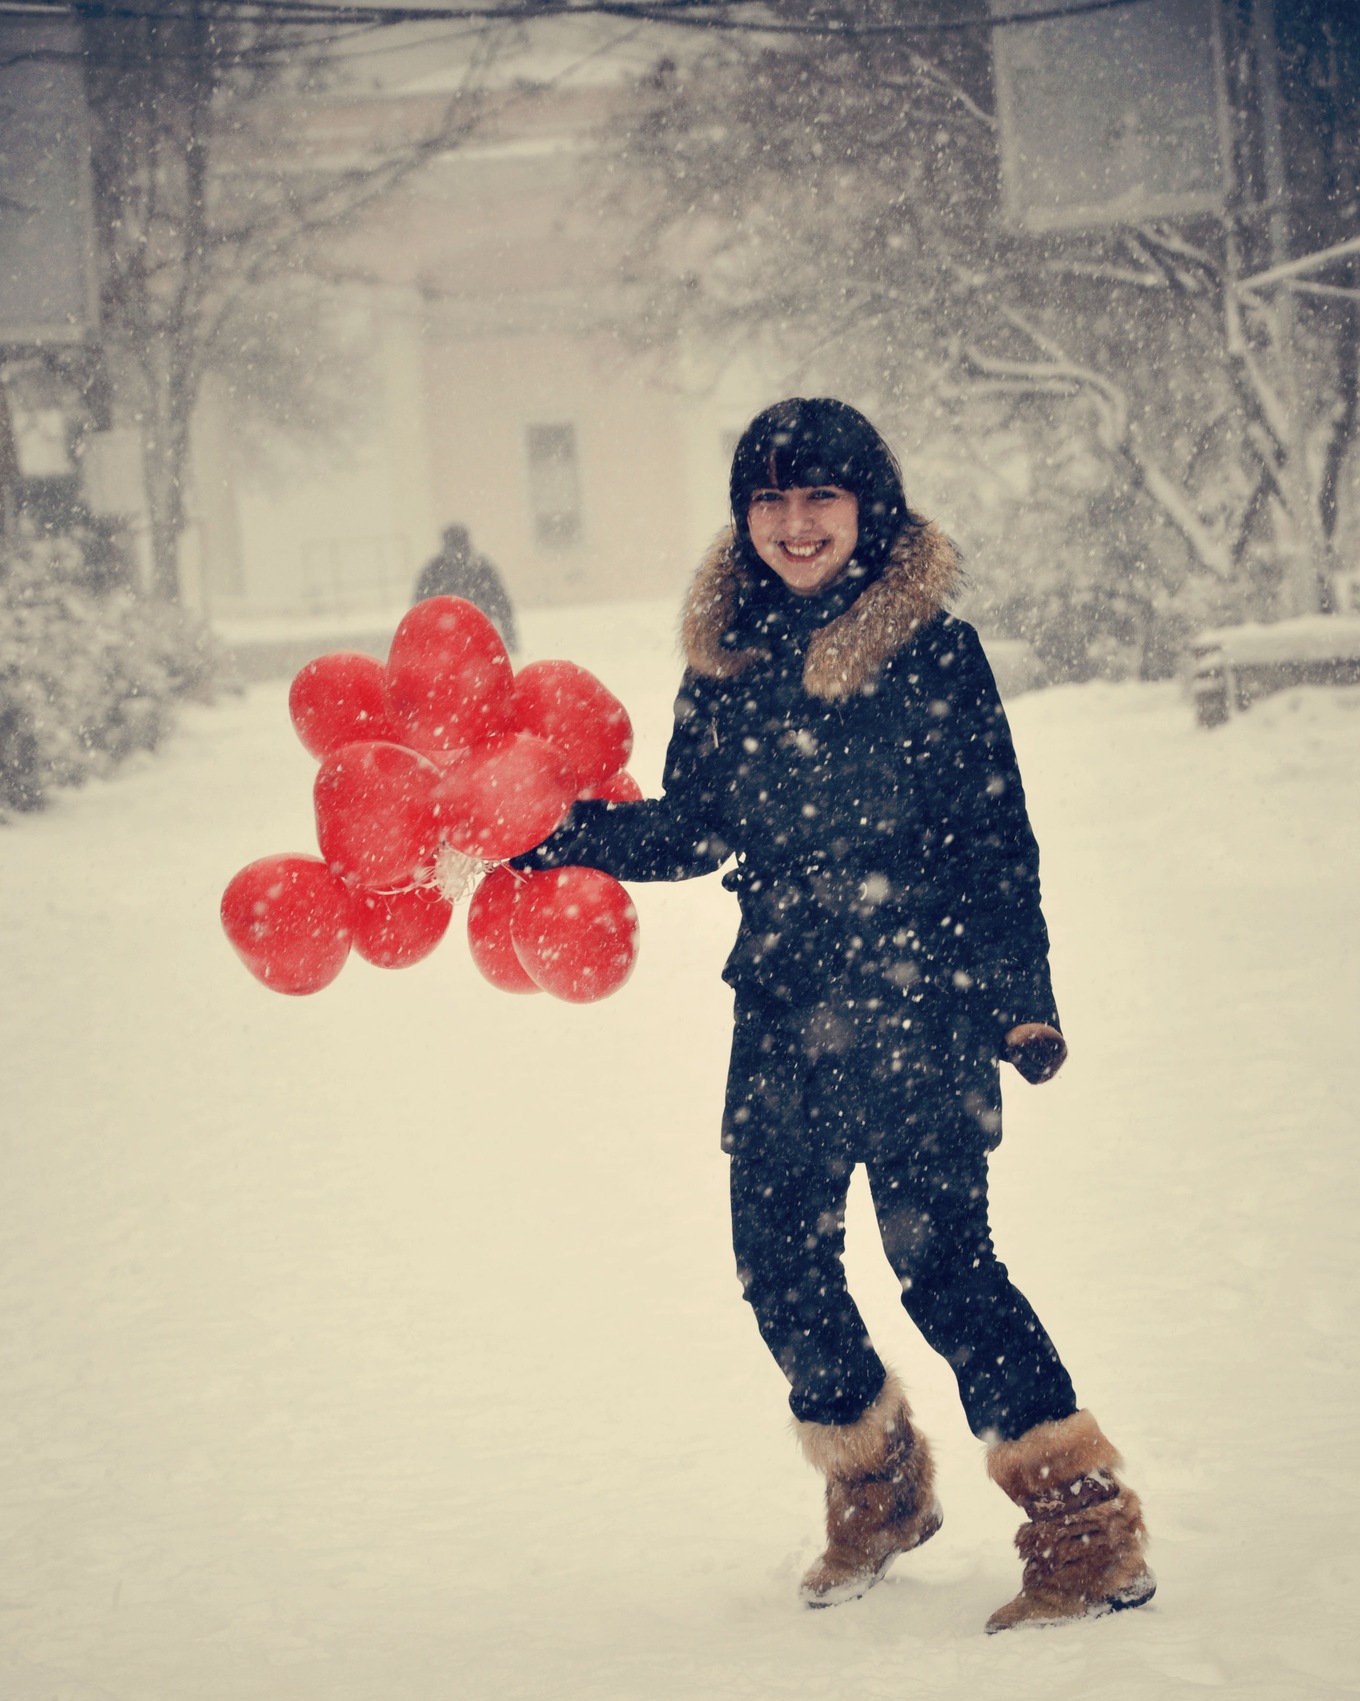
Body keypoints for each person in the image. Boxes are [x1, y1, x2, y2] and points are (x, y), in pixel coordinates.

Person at [515, 398, 1154, 1633]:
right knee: (779, 1264)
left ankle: (1086, 1532)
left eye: (820, 496)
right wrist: (552, 836)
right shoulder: (725, 657)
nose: (794, 522)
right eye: (769, 499)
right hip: (782, 1004)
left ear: (869, 506)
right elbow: (695, 828)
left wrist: (1020, 1000)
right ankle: (878, 1486)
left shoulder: (935, 651)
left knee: (944, 1270)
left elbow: (994, 839)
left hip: (920, 1000)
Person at [412, 524, 518, 651]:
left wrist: (511, 641)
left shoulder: (434, 571)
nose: (456, 552)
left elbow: (503, 607)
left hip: (466, 641)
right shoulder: (482, 569)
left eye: (458, 546)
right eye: (453, 546)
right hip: (462, 640)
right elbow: (503, 607)